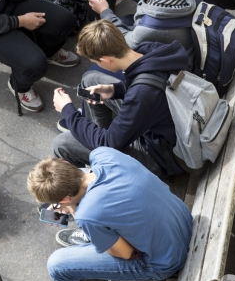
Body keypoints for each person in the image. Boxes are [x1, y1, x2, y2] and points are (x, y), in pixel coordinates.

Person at [27, 147, 192, 281]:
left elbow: (125, 253)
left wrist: (73, 209)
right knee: (97, 227)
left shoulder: (86, 214)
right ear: (66, 163)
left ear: (64, 199)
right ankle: (96, 237)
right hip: (182, 221)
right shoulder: (104, 155)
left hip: (164, 261)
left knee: (57, 266)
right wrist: (72, 204)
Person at [53, 19, 188, 181]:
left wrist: (67, 110)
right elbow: (157, 87)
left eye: (96, 62)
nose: (97, 64)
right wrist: (115, 90)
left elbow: (109, 142)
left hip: (161, 157)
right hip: (168, 123)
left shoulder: (141, 96)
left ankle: (96, 174)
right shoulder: (152, 50)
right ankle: (93, 138)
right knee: (91, 80)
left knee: (62, 144)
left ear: (106, 60)